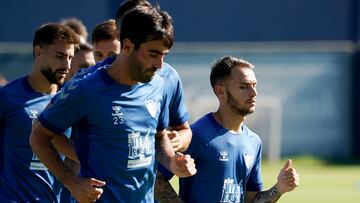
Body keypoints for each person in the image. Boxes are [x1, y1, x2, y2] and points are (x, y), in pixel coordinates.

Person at [30, 5, 196, 203]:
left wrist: (172, 162)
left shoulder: (158, 85)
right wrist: (72, 182)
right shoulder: (87, 89)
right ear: (127, 46)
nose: (160, 64)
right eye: (153, 54)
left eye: (164, 55)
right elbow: (39, 136)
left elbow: (158, 137)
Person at [179, 56, 299, 203]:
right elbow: (157, 177)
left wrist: (279, 188)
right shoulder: (197, 134)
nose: (253, 93)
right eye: (244, 87)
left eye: (254, 85)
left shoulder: (254, 142)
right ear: (221, 92)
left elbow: (251, 200)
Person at [0, 23, 80, 202]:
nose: (66, 65)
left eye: (70, 58)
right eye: (60, 56)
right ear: (38, 52)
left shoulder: (69, 100)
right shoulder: (7, 96)